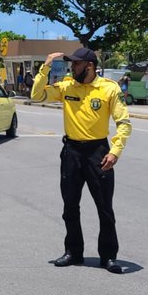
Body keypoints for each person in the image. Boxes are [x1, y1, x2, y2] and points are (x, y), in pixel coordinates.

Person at [30, 48, 132, 275]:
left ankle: (108, 256)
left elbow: (123, 123)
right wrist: (45, 66)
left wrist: (115, 151)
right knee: (70, 206)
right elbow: (36, 95)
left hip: (98, 152)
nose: (72, 67)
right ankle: (73, 252)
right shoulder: (67, 87)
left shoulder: (109, 88)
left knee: (104, 208)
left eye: (76, 64)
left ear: (89, 66)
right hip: (72, 152)